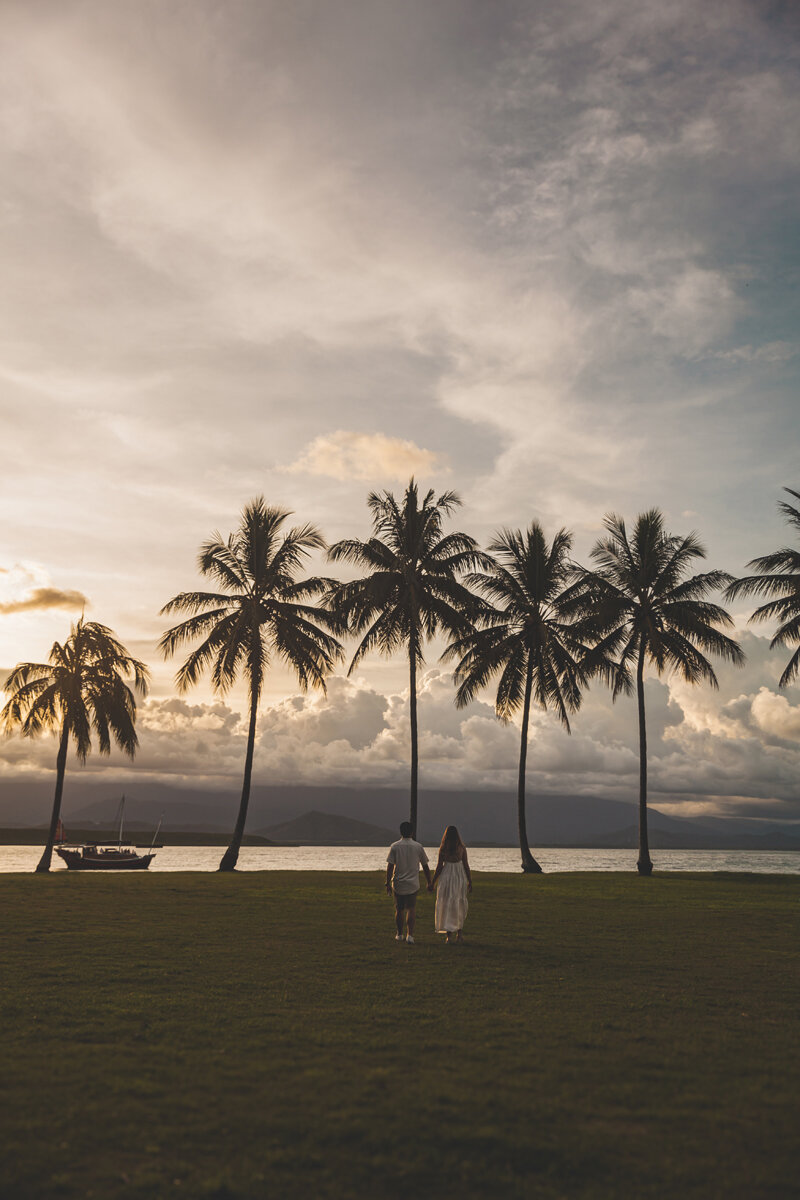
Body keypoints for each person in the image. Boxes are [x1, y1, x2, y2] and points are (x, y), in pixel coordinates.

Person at [386, 821, 433, 944]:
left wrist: (387, 882)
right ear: (412, 832)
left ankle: (399, 934)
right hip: (413, 883)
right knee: (411, 909)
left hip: (398, 883)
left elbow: (390, 866)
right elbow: (425, 866)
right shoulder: (418, 846)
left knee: (399, 909)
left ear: (400, 832)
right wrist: (429, 882)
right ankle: (410, 935)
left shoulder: (395, 846)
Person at [432, 825, 472, 943]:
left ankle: (449, 936)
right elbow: (466, 865)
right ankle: (459, 934)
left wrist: (433, 882)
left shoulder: (443, 848)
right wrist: (470, 880)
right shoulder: (462, 848)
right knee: (458, 903)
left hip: (447, 875)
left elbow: (439, 866)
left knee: (446, 902)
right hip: (459, 876)